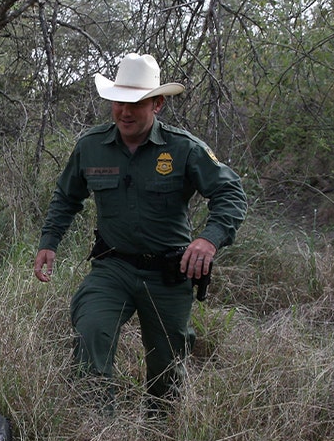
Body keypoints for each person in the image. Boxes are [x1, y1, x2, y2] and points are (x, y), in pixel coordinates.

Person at [33, 53, 246, 418]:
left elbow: (231, 193)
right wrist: (49, 242)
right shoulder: (91, 145)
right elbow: (67, 196)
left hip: (167, 273)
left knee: (167, 369)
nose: (125, 113)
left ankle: (158, 432)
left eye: (136, 103)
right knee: (91, 332)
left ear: (157, 103)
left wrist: (209, 239)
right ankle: (99, 432)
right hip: (112, 266)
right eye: (119, 102)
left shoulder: (185, 149)